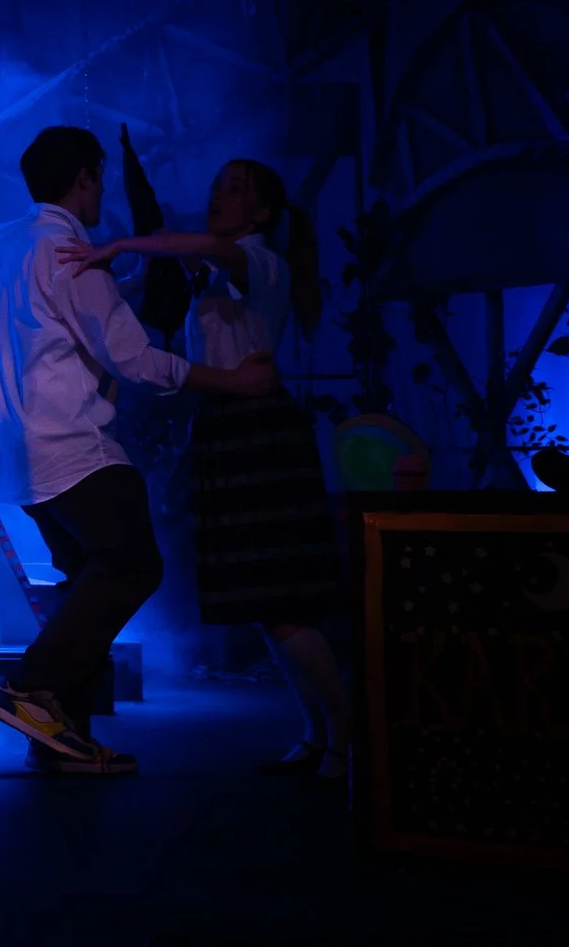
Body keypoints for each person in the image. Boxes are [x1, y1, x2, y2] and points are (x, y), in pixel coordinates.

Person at [0, 126, 278, 775]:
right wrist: (229, 379)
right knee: (133, 565)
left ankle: (61, 735)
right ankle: (29, 687)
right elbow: (133, 357)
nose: (102, 193)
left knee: (84, 581)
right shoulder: (65, 249)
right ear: (84, 177)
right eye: (99, 180)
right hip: (72, 443)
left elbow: (55, 323)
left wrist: (128, 286)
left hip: (19, 451)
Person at [58, 158, 351, 781]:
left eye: (236, 188)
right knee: (264, 598)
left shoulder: (258, 261)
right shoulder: (217, 269)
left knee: (280, 597)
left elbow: (186, 245)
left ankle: (350, 739)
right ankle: (317, 734)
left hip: (257, 429)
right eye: (218, 183)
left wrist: (119, 243)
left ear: (262, 213)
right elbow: (170, 270)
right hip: (225, 425)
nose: (220, 193)